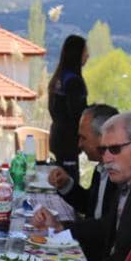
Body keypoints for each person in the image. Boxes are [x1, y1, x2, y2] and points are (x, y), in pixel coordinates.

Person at [37, 112, 131, 261]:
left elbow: (128, 257)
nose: (106, 158)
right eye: (103, 150)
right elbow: (105, 225)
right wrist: (61, 227)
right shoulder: (126, 182)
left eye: (114, 149)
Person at [48, 34, 89, 182]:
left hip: (58, 138)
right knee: (68, 182)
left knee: (60, 178)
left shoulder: (59, 78)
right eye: (85, 52)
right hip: (68, 142)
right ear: (77, 54)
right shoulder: (73, 82)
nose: (88, 55)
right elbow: (79, 114)